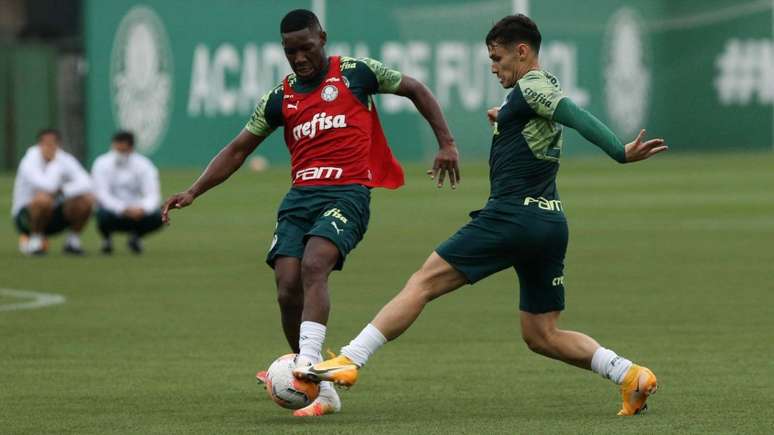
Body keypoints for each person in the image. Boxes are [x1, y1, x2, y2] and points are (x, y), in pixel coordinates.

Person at [295, 14, 668, 417]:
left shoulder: (534, 86)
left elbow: (573, 114)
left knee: (422, 283)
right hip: (549, 223)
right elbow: (534, 120)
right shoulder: (526, 95)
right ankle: (630, 375)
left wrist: (619, 151)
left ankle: (351, 359)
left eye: (497, 57)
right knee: (541, 334)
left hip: (511, 217)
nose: (492, 67)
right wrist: (504, 115)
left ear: (522, 52)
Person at [160, 9, 459, 416]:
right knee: (286, 287)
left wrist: (446, 142)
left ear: (323, 38)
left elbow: (416, 89)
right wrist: (194, 190)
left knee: (314, 264)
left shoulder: (356, 72)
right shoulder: (280, 97)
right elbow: (237, 149)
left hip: (347, 193)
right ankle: (323, 390)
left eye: (306, 47)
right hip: (300, 197)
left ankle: (307, 363)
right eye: (290, 51)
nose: (299, 57)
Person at [12, 128, 94, 255]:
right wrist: (55, 164)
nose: (49, 147)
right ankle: (35, 240)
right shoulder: (29, 160)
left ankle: (72, 242)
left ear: (59, 144)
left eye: (53, 143)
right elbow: (47, 186)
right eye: (46, 143)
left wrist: (64, 190)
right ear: (39, 144)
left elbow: (87, 182)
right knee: (43, 199)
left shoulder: (65, 158)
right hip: (25, 218)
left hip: (54, 216)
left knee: (86, 200)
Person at [91, 131, 163, 254]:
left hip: (137, 211)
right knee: (100, 213)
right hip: (112, 211)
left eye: (123, 150)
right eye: (116, 149)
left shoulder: (144, 165)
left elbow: (153, 195)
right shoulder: (101, 163)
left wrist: (143, 209)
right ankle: (106, 239)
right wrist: (122, 209)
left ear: (131, 148)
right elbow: (102, 194)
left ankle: (136, 237)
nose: (119, 154)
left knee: (160, 215)